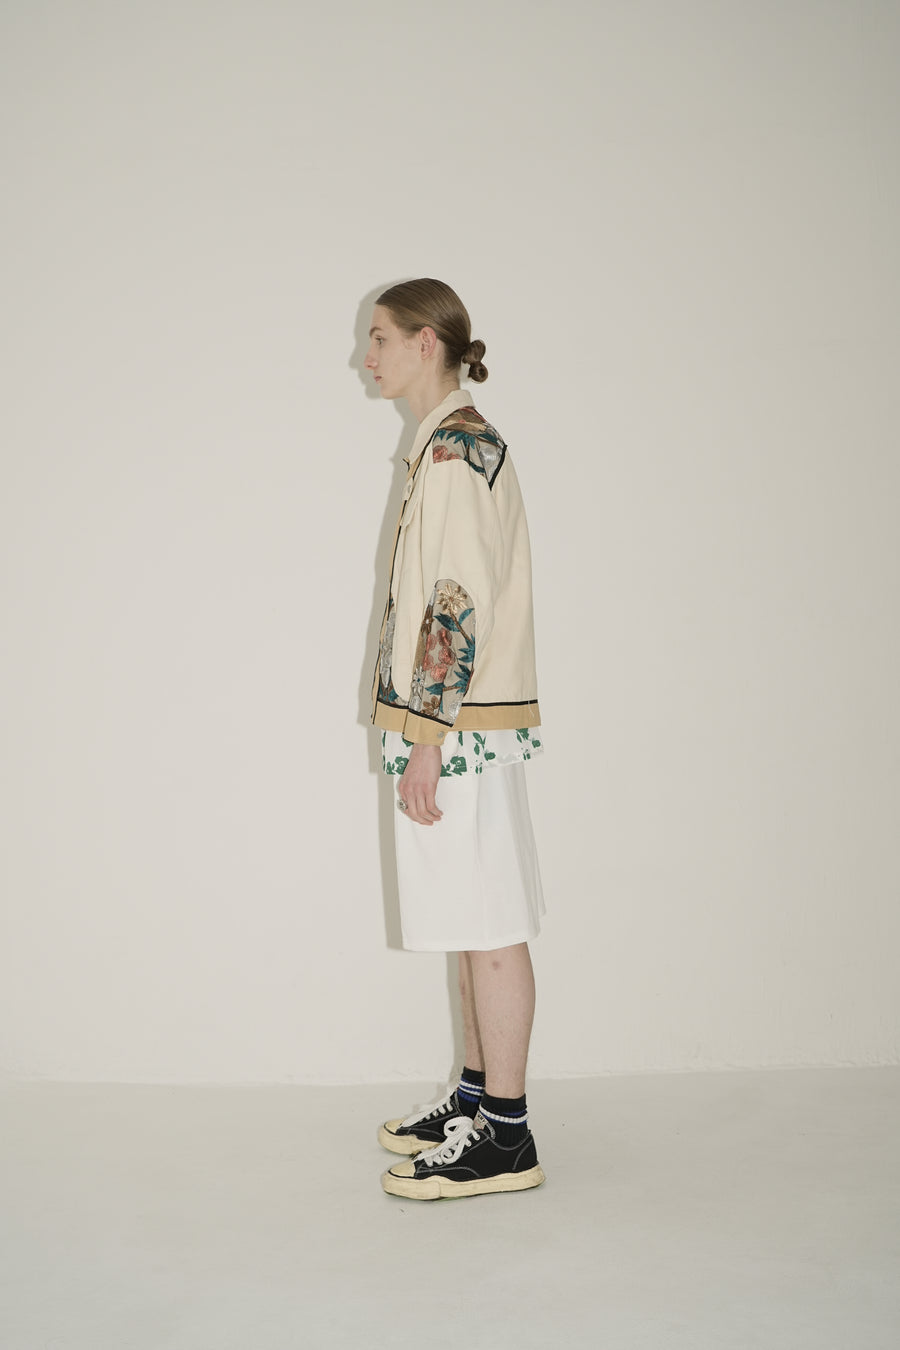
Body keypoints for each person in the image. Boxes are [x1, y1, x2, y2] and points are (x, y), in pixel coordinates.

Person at [365, 278, 546, 1201]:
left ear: (426, 342)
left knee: (491, 924)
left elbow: (455, 603)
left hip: (458, 727)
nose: (367, 356)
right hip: (450, 724)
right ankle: (476, 1101)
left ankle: (507, 1136)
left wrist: (429, 736)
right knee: (470, 920)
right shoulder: (442, 446)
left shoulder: (456, 453)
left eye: (380, 338)